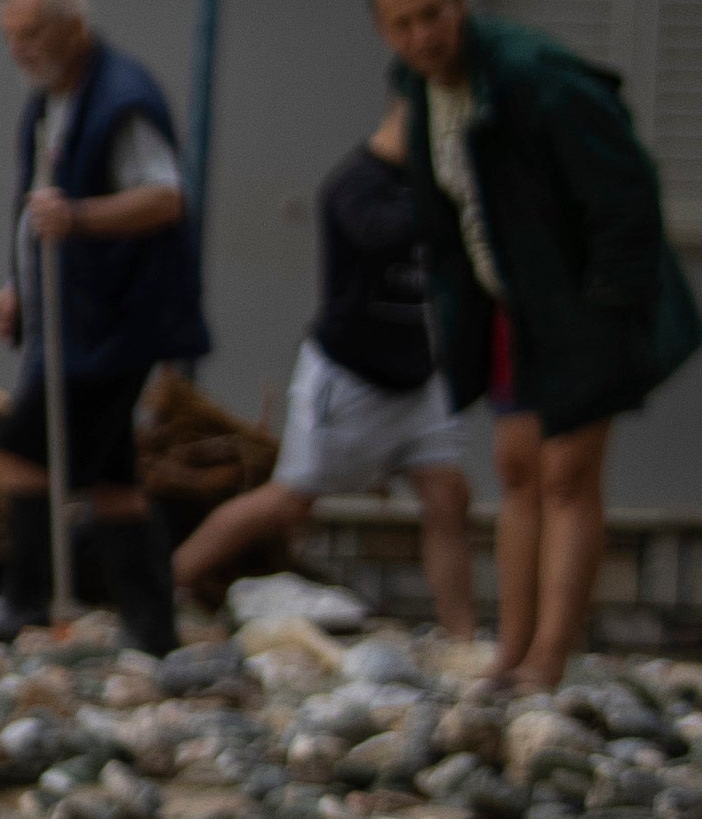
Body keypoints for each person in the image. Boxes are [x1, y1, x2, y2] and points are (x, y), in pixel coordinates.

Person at [374, 0, 694, 696]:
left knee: (567, 476)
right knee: (516, 468)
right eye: (403, 24)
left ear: (458, 5)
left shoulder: (534, 77)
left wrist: (611, 312)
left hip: (581, 302)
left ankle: (551, 656)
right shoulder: (419, 94)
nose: (423, 35)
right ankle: (510, 650)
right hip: (508, 301)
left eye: (431, 14)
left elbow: (625, 197)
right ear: (387, 34)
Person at [178, 116, 490, 642]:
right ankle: (171, 579)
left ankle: (462, 634)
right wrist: (455, 202)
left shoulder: (430, 182)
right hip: (348, 376)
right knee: (290, 500)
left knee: (447, 495)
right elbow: (381, 234)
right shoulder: (355, 184)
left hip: (415, 375)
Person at [0, 0, 204, 641]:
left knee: (23, 445)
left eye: (34, 32)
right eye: (11, 34)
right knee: (111, 476)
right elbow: (40, 201)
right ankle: (148, 623)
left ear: (74, 30)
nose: (20, 48)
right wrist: (21, 284)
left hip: (116, 322)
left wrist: (78, 219)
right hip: (76, 316)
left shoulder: (121, 98)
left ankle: (26, 596)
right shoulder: (52, 96)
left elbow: (164, 196)